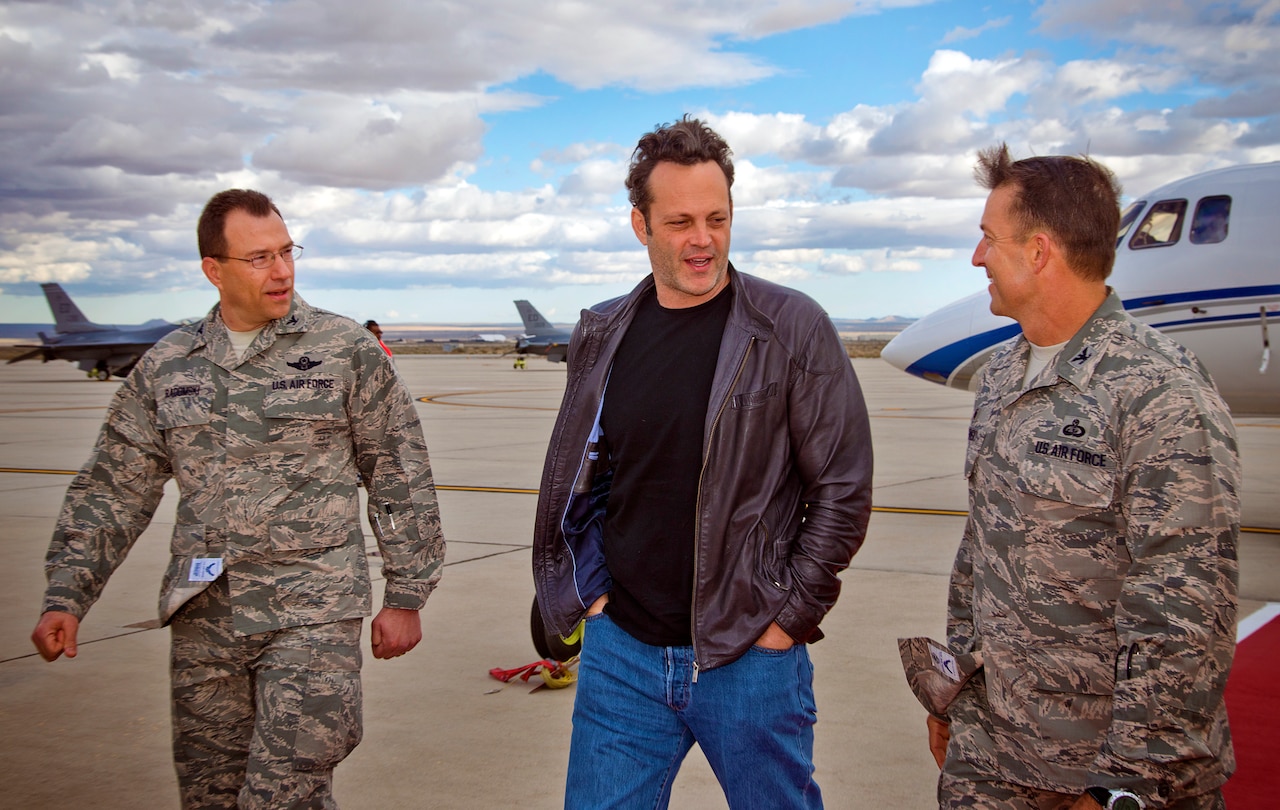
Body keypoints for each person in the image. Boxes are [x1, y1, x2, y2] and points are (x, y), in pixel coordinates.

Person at [30, 189, 445, 809]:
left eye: (286, 252)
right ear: (213, 268)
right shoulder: (169, 365)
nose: (280, 271)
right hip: (205, 616)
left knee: (283, 795)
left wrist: (408, 593)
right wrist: (67, 592)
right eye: (258, 258)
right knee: (210, 794)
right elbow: (113, 487)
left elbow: (398, 468)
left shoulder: (344, 350)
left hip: (313, 610)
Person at [531, 116, 874, 809]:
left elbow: (842, 486)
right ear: (641, 224)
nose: (702, 240)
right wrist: (592, 597)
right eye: (681, 220)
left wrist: (788, 619)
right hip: (622, 655)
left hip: (749, 654)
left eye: (717, 218)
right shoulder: (601, 333)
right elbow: (586, 480)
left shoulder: (791, 327)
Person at [928, 145, 1240, 810]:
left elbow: (1184, 612)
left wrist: (1121, 791)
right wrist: (953, 697)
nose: (977, 257)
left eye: (988, 238)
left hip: (1101, 772)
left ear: (1038, 252)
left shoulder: (1159, 392)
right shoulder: (1002, 376)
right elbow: (981, 554)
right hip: (994, 756)